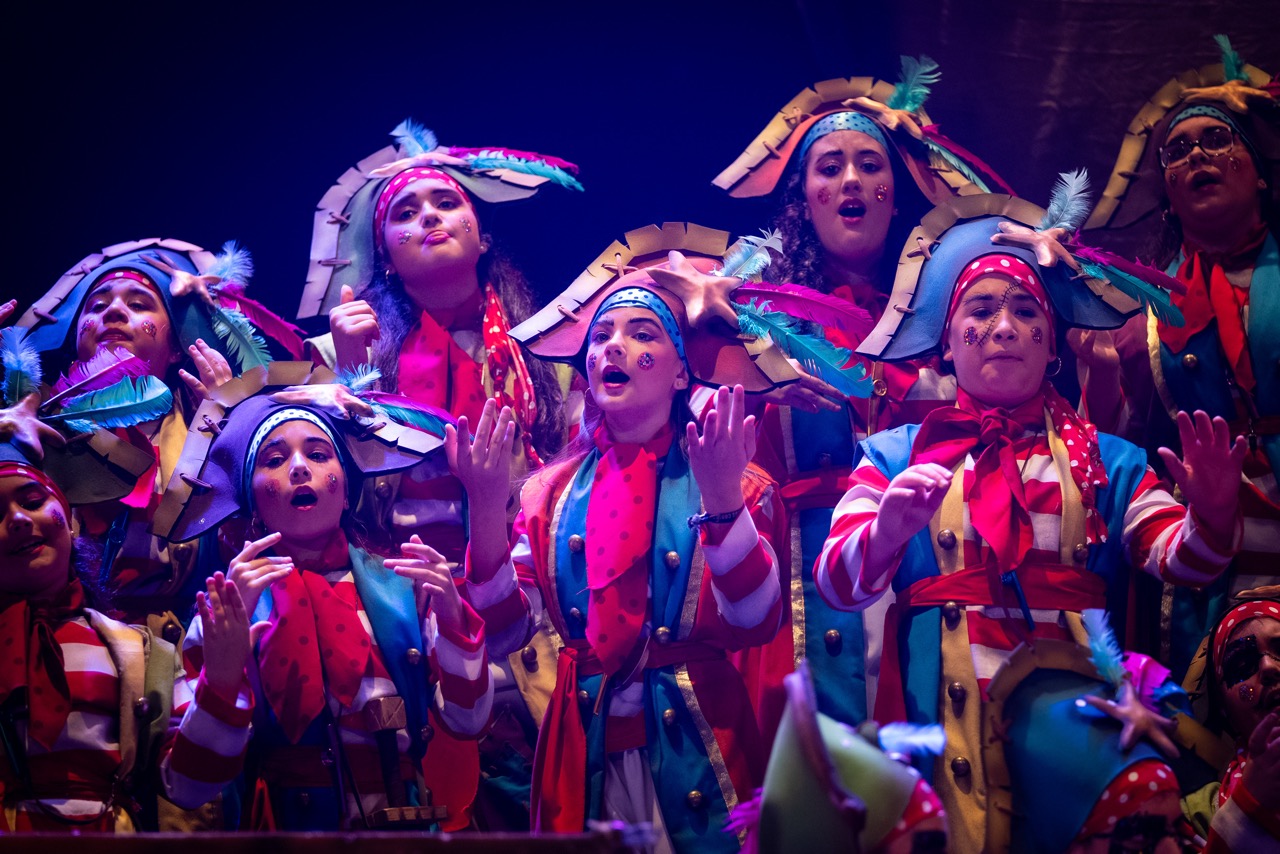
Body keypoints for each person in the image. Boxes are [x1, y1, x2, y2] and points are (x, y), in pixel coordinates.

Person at [816, 187, 1247, 852]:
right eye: (981, 310)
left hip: (1074, 709)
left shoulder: (1107, 459)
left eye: (1025, 311)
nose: (1004, 326)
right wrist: (888, 532)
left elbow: (1181, 559)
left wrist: (1212, 513)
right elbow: (837, 585)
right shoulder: (893, 455)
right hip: (945, 708)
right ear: (946, 346)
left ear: (1052, 347)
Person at [460, 228, 804, 852]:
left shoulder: (729, 476)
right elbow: (509, 633)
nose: (612, 348)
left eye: (642, 335)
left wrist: (725, 502)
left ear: (680, 375)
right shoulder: (548, 495)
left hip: (701, 750)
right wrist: (486, 512)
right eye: (600, 337)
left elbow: (757, 620)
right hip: (581, 754)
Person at [714, 58, 1012, 734]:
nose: (851, 179)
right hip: (800, 581)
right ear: (805, 196)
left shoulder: (950, 315)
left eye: (870, 164)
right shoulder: (761, 321)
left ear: (894, 190)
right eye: (829, 166)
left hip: (931, 567)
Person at [300, 122, 583, 827]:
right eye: (405, 211)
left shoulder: (546, 353)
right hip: (400, 621)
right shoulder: (346, 354)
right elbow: (323, 498)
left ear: (482, 235)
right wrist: (351, 377)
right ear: (387, 259)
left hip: (531, 618)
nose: (428, 217)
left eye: (445, 203)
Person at [152, 368, 491, 830]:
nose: (297, 468)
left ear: (347, 487)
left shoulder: (404, 585)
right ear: (251, 499)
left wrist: (453, 620)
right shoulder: (228, 609)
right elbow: (188, 786)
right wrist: (223, 675)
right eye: (273, 460)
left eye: (317, 454)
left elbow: (469, 721)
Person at [1083, 35, 1280, 675]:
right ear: (1167, 189)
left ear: (1259, 169)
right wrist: (1104, 378)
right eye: (1177, 149)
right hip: (1209, 561)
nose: (1197, 153)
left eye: (1215, 140)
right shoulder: (1141, 319)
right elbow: (1113, 455)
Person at [17, 239, 301, 629]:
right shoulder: (35, 427)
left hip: (197, 640)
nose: (114, 311)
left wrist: (237, 424)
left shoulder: (209, 424)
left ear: (176, 350)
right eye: (97, 306)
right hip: (72, 638)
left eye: (138, 305)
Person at [0, 445, 255, 831]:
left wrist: (221, 681)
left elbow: (188, 787)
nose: (17, 519)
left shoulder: (145, 653)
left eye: (33, 501)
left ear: (70, 520)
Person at [1181, 594, 1280, 851]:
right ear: (1224, 711)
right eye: (1242, 664)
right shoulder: (1193, 819)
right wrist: (1247, 809)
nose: (1268, 666)